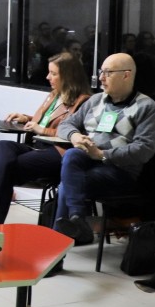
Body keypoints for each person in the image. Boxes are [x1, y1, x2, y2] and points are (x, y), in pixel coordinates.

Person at [0, 52, 91, 223]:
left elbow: (73, 134)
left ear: (68, 75)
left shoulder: (84, 102)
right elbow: (45, 121)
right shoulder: (54, 95)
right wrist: (26, 118)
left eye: (54, 73)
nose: (48, 77)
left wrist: (42, 130)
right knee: (2, 146)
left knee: (4, 168)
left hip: (59, 153)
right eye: (49, 72)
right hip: (38, 147)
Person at [53, 53, 155, 245]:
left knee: (66, 185)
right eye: (101, 72)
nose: (101, 78)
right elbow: (65, 125)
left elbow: (144, 149)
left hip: (120, 172)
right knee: (73, 154)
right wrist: (75, 136)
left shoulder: (146, 106)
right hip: (88, 163)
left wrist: (102, 154)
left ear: (126, 75)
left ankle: (59, 245)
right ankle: (77, 219)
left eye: (107, 73)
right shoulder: (96, 100)